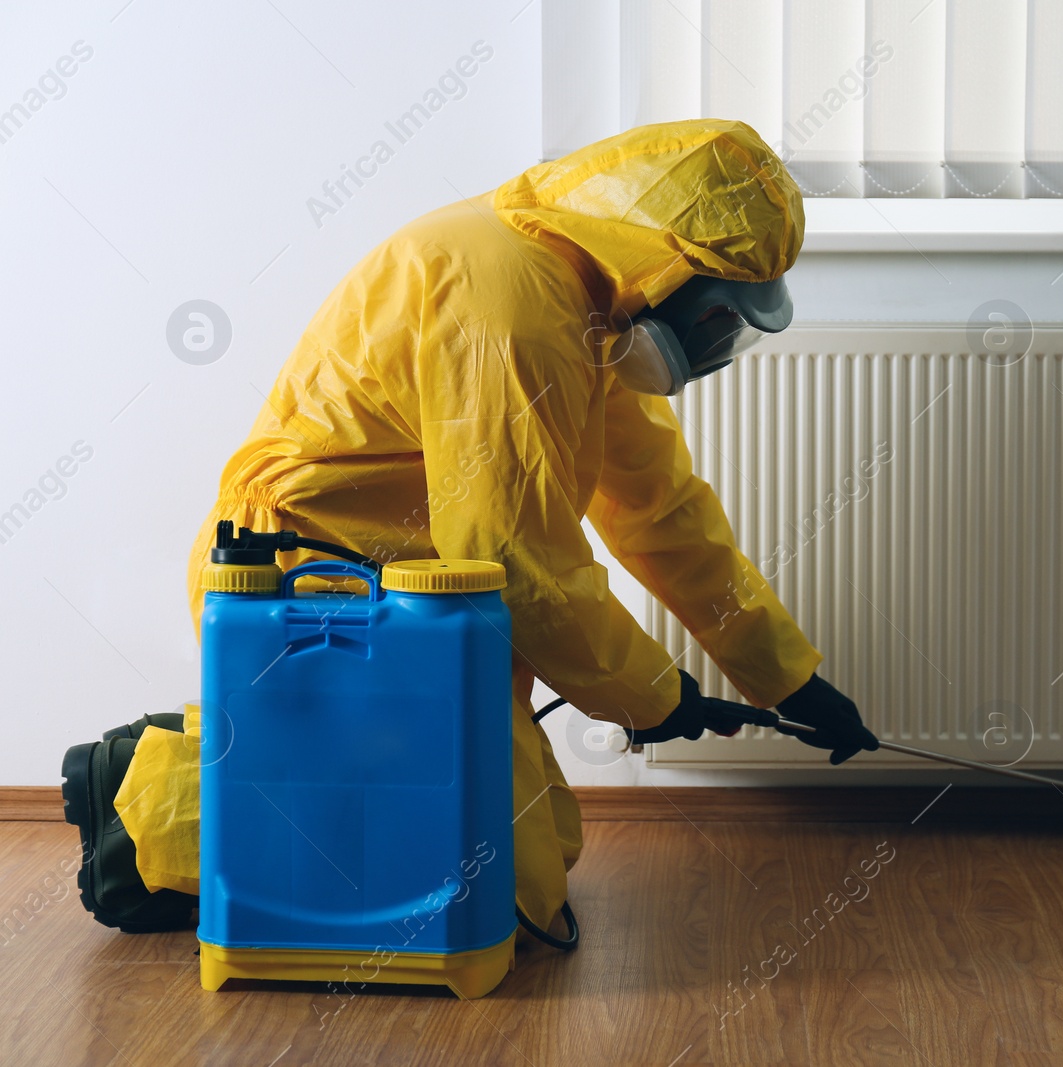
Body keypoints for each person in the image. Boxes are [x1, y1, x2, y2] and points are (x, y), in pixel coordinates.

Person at [63, 119, 879, 940]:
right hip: (304, 585)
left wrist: (786, 678)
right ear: (666, 263)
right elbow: (513, 560)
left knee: (537, 844)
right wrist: (657, 698)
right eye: (716, 317)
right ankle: (144, 800)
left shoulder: (592, 300)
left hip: (397, 596)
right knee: (497, 875)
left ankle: (262, 758)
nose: (714, 343)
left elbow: (664, 514)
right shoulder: (514, 307)